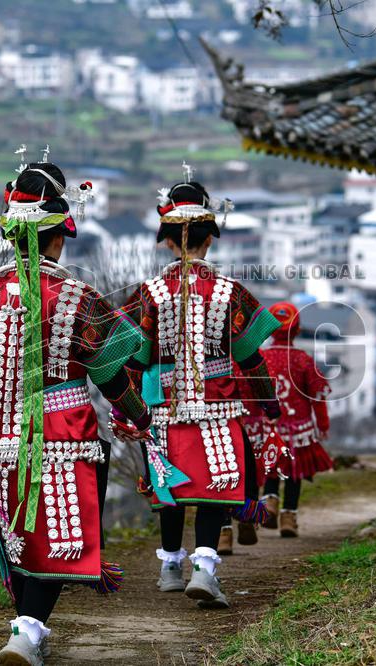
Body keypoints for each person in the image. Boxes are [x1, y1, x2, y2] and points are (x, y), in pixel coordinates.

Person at [0, 159, 152, 666]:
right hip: (67, 435)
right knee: (58, 539)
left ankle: (24, 631)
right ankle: (28, 631)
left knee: (18, 536)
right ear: (58, 236)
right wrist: (141, 417)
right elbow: (111, 377)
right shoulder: (81, 299)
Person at [119, 177, 281, 609]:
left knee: (169, 487)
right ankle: (205, 570)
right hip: (219, 406)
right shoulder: (231, 294)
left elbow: (133, 359)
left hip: (162, 410)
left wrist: (127, 409)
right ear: (210, 240)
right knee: (218, 487)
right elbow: (250, 357)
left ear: (168, 243)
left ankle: (170, 566)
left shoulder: (148, 295)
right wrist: (269, 402)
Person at [242, 302, 334, 538]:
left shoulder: (259, 358)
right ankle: (289, 518)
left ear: (269, 330)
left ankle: (269, 501)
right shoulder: (303, 360)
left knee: (272, 466)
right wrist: (322, 424)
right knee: (295, 471)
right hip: (298, 428)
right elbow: (317, 397)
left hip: (266, 426)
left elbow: (249, 394)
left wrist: (249, 423)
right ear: (298, 330)